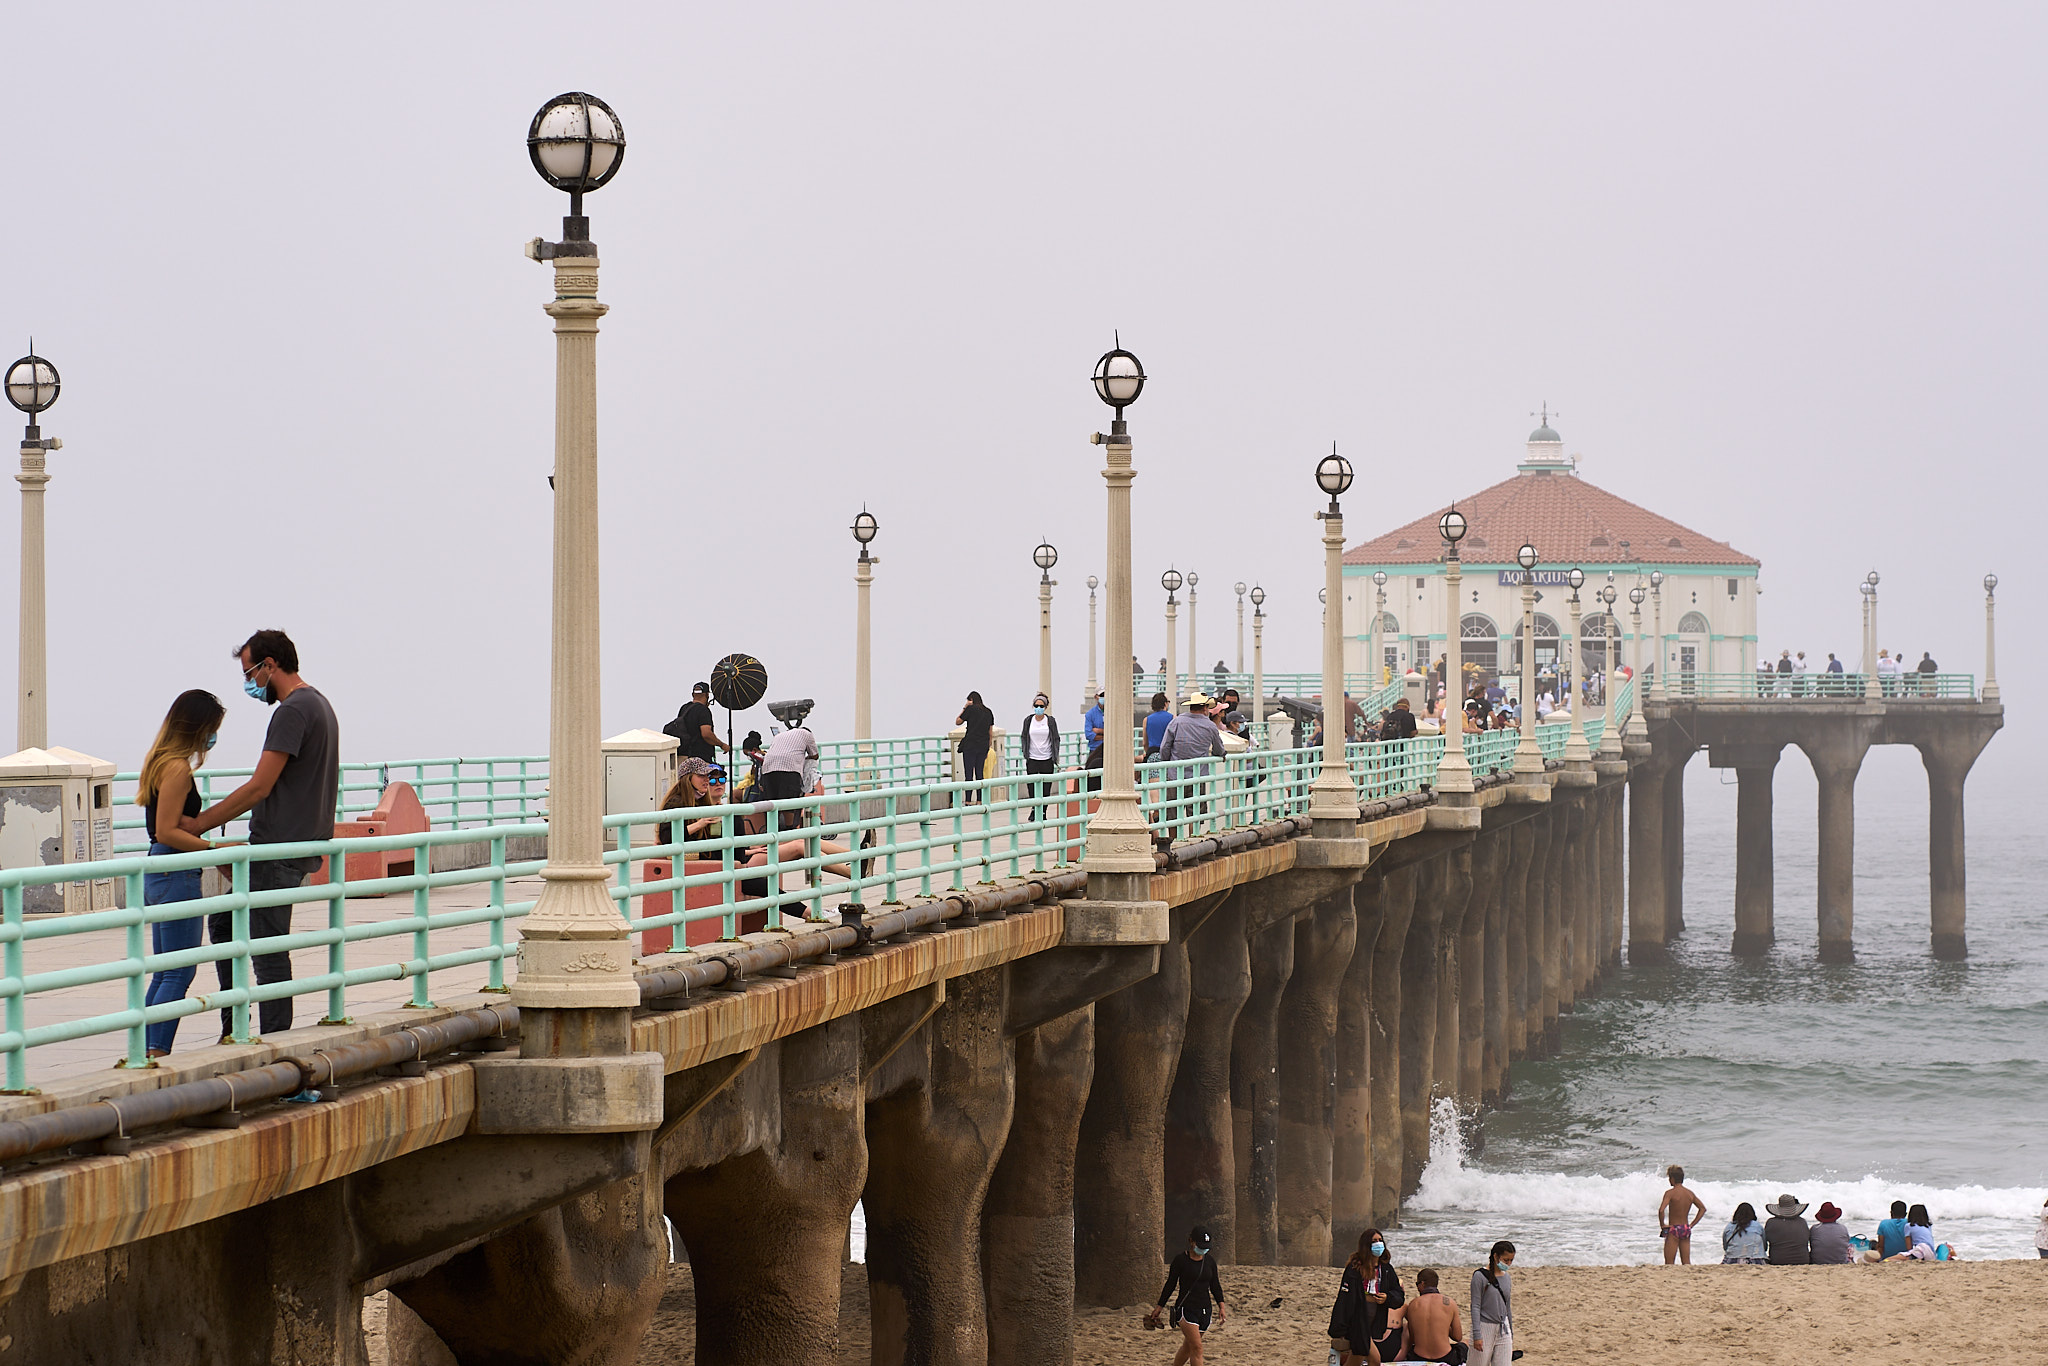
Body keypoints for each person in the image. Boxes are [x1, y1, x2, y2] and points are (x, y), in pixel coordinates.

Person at [186, 630, 340, 1041]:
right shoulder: (320, 704)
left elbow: (259, 786)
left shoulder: (292, 711)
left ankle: (272, 1042)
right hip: (298, 844)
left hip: (278, 849)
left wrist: (199, 824)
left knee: (267, 948)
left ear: (269, 665)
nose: (250, 684)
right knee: (224, 923)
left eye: (250, 673)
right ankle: (237, 1025)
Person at [134, 690, 229, 1057]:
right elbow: (167, 830)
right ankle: (154, 1053)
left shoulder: (158, 761)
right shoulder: (176, 767)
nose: (214, 737)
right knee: (178, 972)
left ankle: (145, 1049)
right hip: (175, 871)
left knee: (164, 971)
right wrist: (215, 849)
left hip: (162, 870)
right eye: (212, 729)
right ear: (197, 727)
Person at [1146, 1226, 1228, 1365]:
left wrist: (1221, 1307)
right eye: (1201, 1245)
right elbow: (1170, 1285)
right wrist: (1159, 1307)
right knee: (1197, 1348)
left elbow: (1215, 1285)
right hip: (1186, 1308)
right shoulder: (1180, 1260)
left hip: (1205, 1309)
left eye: (1206, 1247)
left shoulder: (1209, 1261)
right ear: (1191, 1241)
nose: (1203, 1249)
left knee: (1188, 1347)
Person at [1329, 1228, 1404, 1365]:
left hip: (1375, 1321)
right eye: (1374, 1241)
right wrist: (1341, 1326)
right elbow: (1344, 1298)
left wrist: (1387, 1298)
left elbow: (1398, 1294)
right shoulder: (1354, 1268)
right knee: (1374, 1359)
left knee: (1357, 1356)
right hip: (1357, 1320)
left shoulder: (1386, 1269)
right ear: (1366, 1245)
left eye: (1380, 1240)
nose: (1378, 1243)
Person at [757, 721, 818, 830]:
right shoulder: (807, 734)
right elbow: (814, 755)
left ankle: (772, 833)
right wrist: (803, 759)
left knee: (772, 805)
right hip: (789, 768)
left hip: (768, 767)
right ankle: (790, 832)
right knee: (789, 805)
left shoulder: (780, 735)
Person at [1401, 1268, 1467, 1364]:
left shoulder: (1413, 1304)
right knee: (1465, 1343)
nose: (1417, 1288)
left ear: (1422, 1284)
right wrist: (1443, 1325)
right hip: (1445, 1357)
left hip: (1419, 1357)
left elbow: (1413, 1338)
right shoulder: (1450, 1303)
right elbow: (1457, 1337)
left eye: (1417, 1284)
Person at [1468, 1240, 1514, 1366]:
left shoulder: (1507, 1278)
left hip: (1503, 1327)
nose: (1508, 1263)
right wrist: (1477, 1334)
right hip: (1484, 1326)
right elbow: (1475, 1306)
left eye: (1511, 1260)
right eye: (1506, 1260)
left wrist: (1511, 1333)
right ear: (1495, 1256)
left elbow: (1507, 1307)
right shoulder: (1480, 1276)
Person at [663, 682, 728, 762]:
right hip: (698, 758)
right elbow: (706, 734)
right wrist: (722, 745)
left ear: (693, 694)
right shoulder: (704, 711)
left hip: (683, 756)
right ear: (707, 695)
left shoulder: (684, 708)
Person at [1019, 693, 1059, 821]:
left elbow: (1056, 738)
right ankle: (1034, 809)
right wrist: (1025, 752)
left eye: (1041, 706)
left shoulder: (1050, 721)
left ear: (1046, 707)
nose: (1038, 708)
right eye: (1036, 705)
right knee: (1032, 787)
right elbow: (1024, 736)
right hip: (1032, 758)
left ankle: (1043, 811)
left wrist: (1055, 755)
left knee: (1045, 787)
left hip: (1047, 758)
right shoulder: (1028, 720)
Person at [1658, 1164, 1706, 1264]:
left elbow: (1661, 1210)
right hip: (1685, 1228)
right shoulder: (1689, 1193)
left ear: (1672, 1179)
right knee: (1686, 1262)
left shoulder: (1670, 1193)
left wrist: (1662, 1225)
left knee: (1669, 1263)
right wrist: (1692, 1224)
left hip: (1673, 1229)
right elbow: (1702, 1209)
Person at [955, 692, 994, 801]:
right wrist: (988, 747)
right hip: (983, 746)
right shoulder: (988, 712)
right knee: (979, 774)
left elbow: (958, 721)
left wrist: (965, 707)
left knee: (968, 775)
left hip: (970, 746)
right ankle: (979, 800)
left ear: (971, 699)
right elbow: (990, 733)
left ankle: (968, 800)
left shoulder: (970, 709)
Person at [1763, 1193, 1812, 1264]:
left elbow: (1765, 1245)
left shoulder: (1771, 1222)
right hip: (1802, 1261)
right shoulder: (1802, 1222)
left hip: (1778, 1261)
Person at [1083, 689, 1106, 792]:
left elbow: (1115, 731)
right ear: (1096, 697)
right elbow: (1089, 734)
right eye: (1102, 695)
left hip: (1109, 751)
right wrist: (1105, 735)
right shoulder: (1090, 714)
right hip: (1095, 750)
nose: (1104, 697)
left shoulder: (1113, 711)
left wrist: (1097, 730)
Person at [1143, 692, 1173, 761]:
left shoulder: (1146, 720)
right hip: (1168, 756)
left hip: (1152, 755)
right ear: (1165, 704)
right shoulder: (1173, 718)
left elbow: (1145, 743)